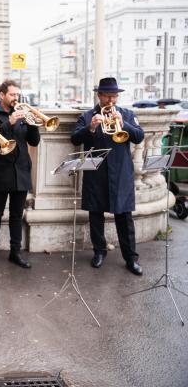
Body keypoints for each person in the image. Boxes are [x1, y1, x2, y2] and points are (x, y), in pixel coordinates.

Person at [70, 77, 145, 276]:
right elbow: (74, 138)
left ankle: (131, 258)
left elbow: (139, 136)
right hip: (97, 173)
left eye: (115, 96)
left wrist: (124, 124)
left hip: (120, 173)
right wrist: (91, 128)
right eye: (109, 96)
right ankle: (99, 252)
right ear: (99, 95)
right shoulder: (87, 116)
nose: (112, 100)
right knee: (96, 215)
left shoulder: (127, 114)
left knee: (124, 217)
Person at [0, 79, 38, 269]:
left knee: (17, 215)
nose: (16, 98)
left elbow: (34, 141)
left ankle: (16, 252)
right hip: (0, 170)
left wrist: (32, 122)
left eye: (17, 94)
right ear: (2, 95)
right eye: (12, 94)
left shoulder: (23, 113)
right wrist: (10, 122)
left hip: (21, 170)